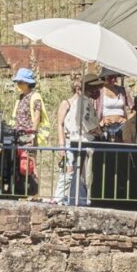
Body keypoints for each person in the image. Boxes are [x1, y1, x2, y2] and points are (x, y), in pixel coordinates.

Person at [56, 72, 102, 205]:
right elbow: (86, 122)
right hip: (83, 140)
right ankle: (75, 199)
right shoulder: (84, 103)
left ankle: (75, 198)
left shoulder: (81, 102)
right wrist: (98, 130)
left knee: (76, 170)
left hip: (78, 140)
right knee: (79, 171)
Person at [2, 67, 47, 198]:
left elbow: (37, 117)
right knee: (19, 166)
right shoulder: (21, 97)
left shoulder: (35, 96)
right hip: (18, 137)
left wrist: (32, 134)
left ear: (27, 83)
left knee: (30, 165)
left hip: (28, 136)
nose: (18, 85)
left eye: (20, 82)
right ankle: (21, 192)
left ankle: (34, 193)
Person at [96, 70, 128, 140]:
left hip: (122, 126)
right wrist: (101, 121)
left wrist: (126, 119)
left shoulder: (122, 90)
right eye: (110, 77)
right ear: (104, 78)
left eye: (115, 77)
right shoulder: (99, 92)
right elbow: (93, 110)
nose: (113, 80)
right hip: (105, 126)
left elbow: (133, 109)